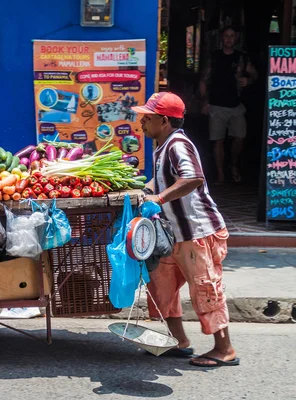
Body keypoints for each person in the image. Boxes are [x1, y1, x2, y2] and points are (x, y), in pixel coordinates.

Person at [131, 92, 239, 367]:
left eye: (148, 117)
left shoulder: (178, 144)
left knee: (206, 288)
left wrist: (161, 198)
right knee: (161, 283)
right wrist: (146, 190)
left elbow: (192, 178)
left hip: (197, 233)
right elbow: (162, 177)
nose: (142, 121)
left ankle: (224, 349)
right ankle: (179, 342)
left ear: (164, 121)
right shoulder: (162, 145)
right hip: (173, 235)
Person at [200, 26, 258, 184]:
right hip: (216, 105)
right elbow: (204, 80)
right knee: (218, 140)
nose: (229, 39)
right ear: (221, 38)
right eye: (226, 36)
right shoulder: (214, 57)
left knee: (239, 137)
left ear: (236, 38)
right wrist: (205, 102)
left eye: (232, 36)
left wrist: (249, 80)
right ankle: (220, 174)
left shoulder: (241, 58)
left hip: (236, 106)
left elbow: (255, 74)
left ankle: (233, 165)